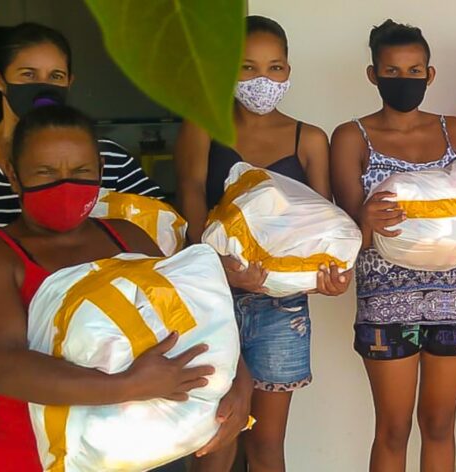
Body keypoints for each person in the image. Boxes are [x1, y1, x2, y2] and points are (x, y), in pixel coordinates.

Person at [0, 105, 251, 471]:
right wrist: (129, 386)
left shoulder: (129, 236)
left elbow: (198, 320)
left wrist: (241, 385)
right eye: (46, 172)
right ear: (13, 175)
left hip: (144, 449)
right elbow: (0, 366)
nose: (65, 185)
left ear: (100, 169)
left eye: (80, 171)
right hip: (34, 457)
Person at [0, 21, 161, 453]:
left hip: (101, 343)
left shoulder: (106, 157)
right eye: (27, 74)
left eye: (54, 76)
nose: (42, 86)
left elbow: (162, 225)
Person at [330, 20, 456, 472]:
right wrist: (365, 220)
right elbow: (347, 235)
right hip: (386, 300)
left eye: (415, 71)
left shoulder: (455, 131)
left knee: (439, 424)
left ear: (430, 75)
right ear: (373, 75)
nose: (404, 79)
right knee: (393, 429)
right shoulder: (351, 137)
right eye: (392, 71)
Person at [173, 15, 350, 471]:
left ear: (288, 70)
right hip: (213, 298)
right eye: (247, 67)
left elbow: (321, 228)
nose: (262, 80)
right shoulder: (202, 128)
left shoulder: (309, 139)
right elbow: (190, 201)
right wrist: (220, 268)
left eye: (274, 68)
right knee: (213, 438)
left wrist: (326, 278)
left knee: (267, 443)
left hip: (282, 309)